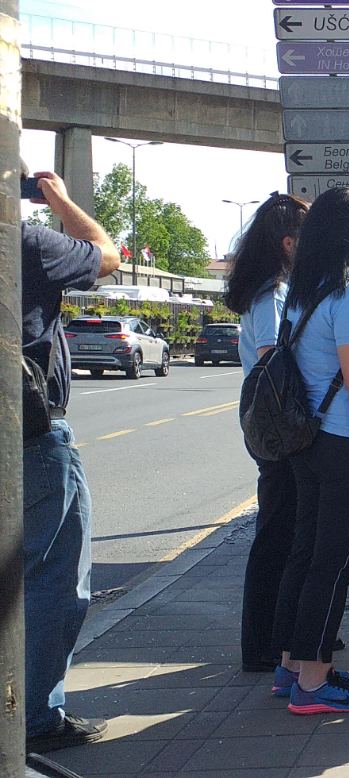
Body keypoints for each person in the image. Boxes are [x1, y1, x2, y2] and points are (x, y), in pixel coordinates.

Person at [270, 186, 349, 715]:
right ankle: (314, 683)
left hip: (311, 442)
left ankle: (291, 665)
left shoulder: (303, 292)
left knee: (306, 554)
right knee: (336, 564)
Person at [20, 170, 120, 752]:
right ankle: (34, 716)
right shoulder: (27, 243)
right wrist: (57, 199)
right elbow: (108, 255)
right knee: (51, 579)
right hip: (30, 433)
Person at [223, 193, 310, 674]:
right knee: (277, 533)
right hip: (279, 427)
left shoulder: (272, 289)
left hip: (273, 425)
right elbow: (272, 361)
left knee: (285, 530)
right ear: (288, 244)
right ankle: (261, 643)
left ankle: (283, 634)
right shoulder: (274, 294)